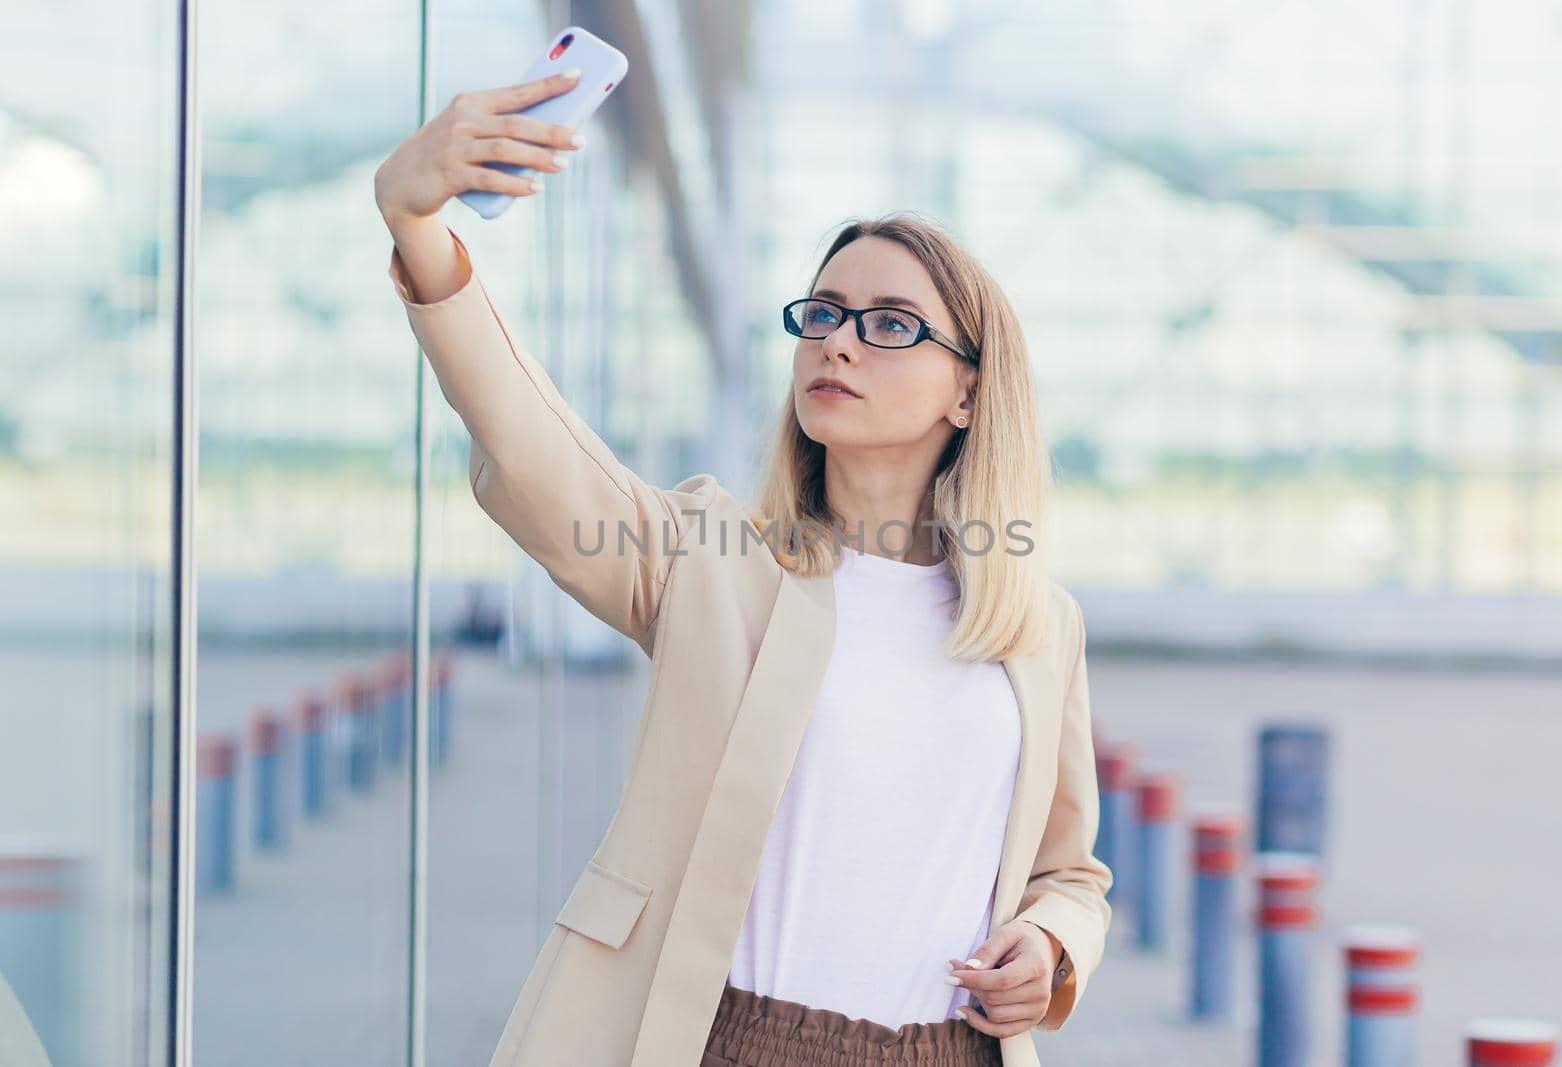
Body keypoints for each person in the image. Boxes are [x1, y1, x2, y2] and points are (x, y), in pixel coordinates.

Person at [375, 70, 1112, 1067]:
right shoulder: (715, 560)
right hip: (730, 1038)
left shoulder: (1037, 620)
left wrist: (1054, 943)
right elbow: (535, 450)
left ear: (970, 394)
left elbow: (1069, 869)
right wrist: (419, 225)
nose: (839, 343)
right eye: (823, 313)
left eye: (889, 323)